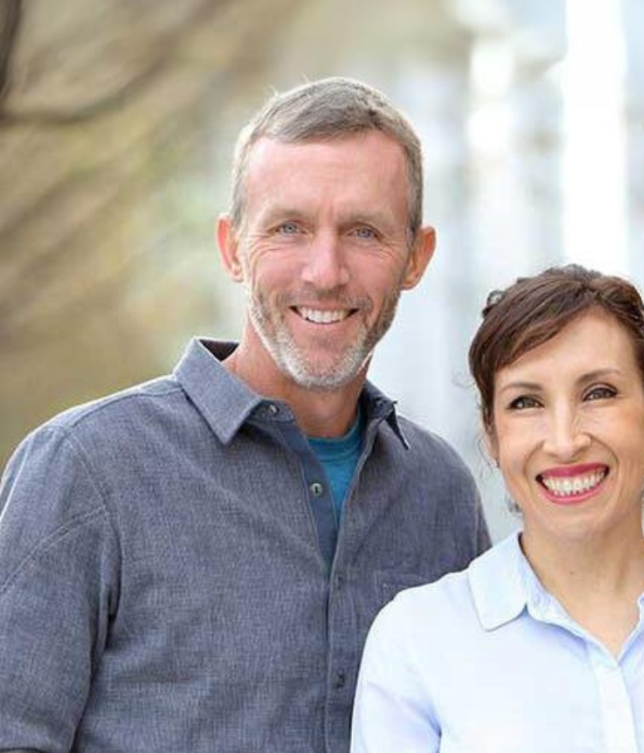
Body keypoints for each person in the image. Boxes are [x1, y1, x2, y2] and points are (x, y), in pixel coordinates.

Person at [0, 77, 490, 753]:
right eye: (289, 228)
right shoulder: (86, 469)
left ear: (416, 257)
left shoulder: (441, 496)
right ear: (232, 247)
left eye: (364, 231)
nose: (325, 272)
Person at [351, 264, 644, 752]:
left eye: (598, 393)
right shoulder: (417, 642)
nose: (564, 442)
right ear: (492, 434)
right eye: (526, 402)